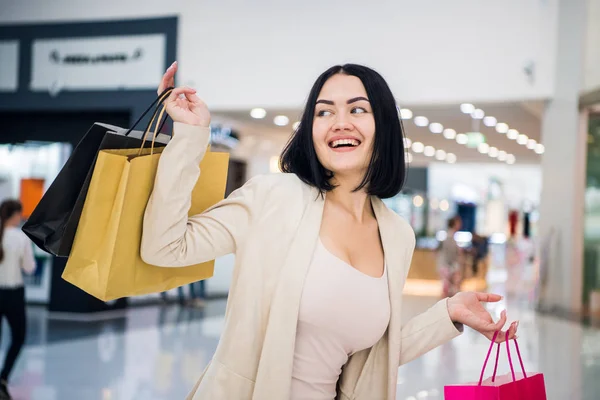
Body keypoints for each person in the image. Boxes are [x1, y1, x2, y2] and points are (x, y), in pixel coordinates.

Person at [141, 62, 518, 400]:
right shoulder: (274, 196)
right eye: (325, 112)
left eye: (358, 109)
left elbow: (372, 357)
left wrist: (449, 313)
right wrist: (190, 138)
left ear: (383, 126)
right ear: (312, 129)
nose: (340, 122)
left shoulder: (397, 234)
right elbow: (165, 248)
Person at [0, 200, 35, 400]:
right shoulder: (21, 238)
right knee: (18, 337)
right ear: (15, 215)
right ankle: (3, 378)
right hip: (13, 294)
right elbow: (29, 267)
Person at [438, 216, 463, 298]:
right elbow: (450, 255)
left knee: (448, 289)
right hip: (448, 267)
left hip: (448, 267)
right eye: (458, 223)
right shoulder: (450, 237)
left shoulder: (450, 236)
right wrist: (454, 268)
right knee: (449, 290)